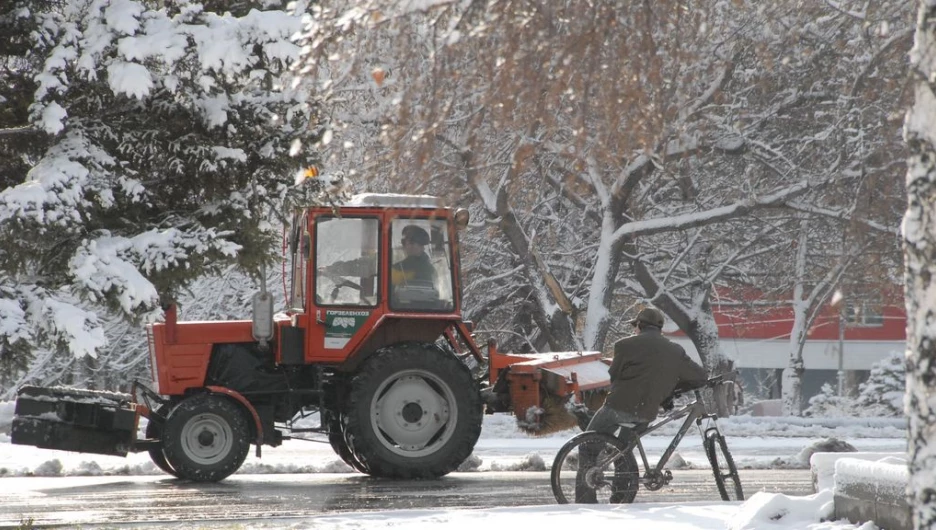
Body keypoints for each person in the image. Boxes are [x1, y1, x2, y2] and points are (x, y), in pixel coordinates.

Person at [577, 306, 707, 503]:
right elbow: (699, 377)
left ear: (639, 325)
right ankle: (621, 495)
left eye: (635, 326)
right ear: (660, 329)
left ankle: (585, 500)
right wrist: (670, 389)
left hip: (617, 407)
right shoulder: (675, 351)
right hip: (646, 412)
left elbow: (614, 375)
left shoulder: (624, 345)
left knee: (588, 444)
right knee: (624, 449)